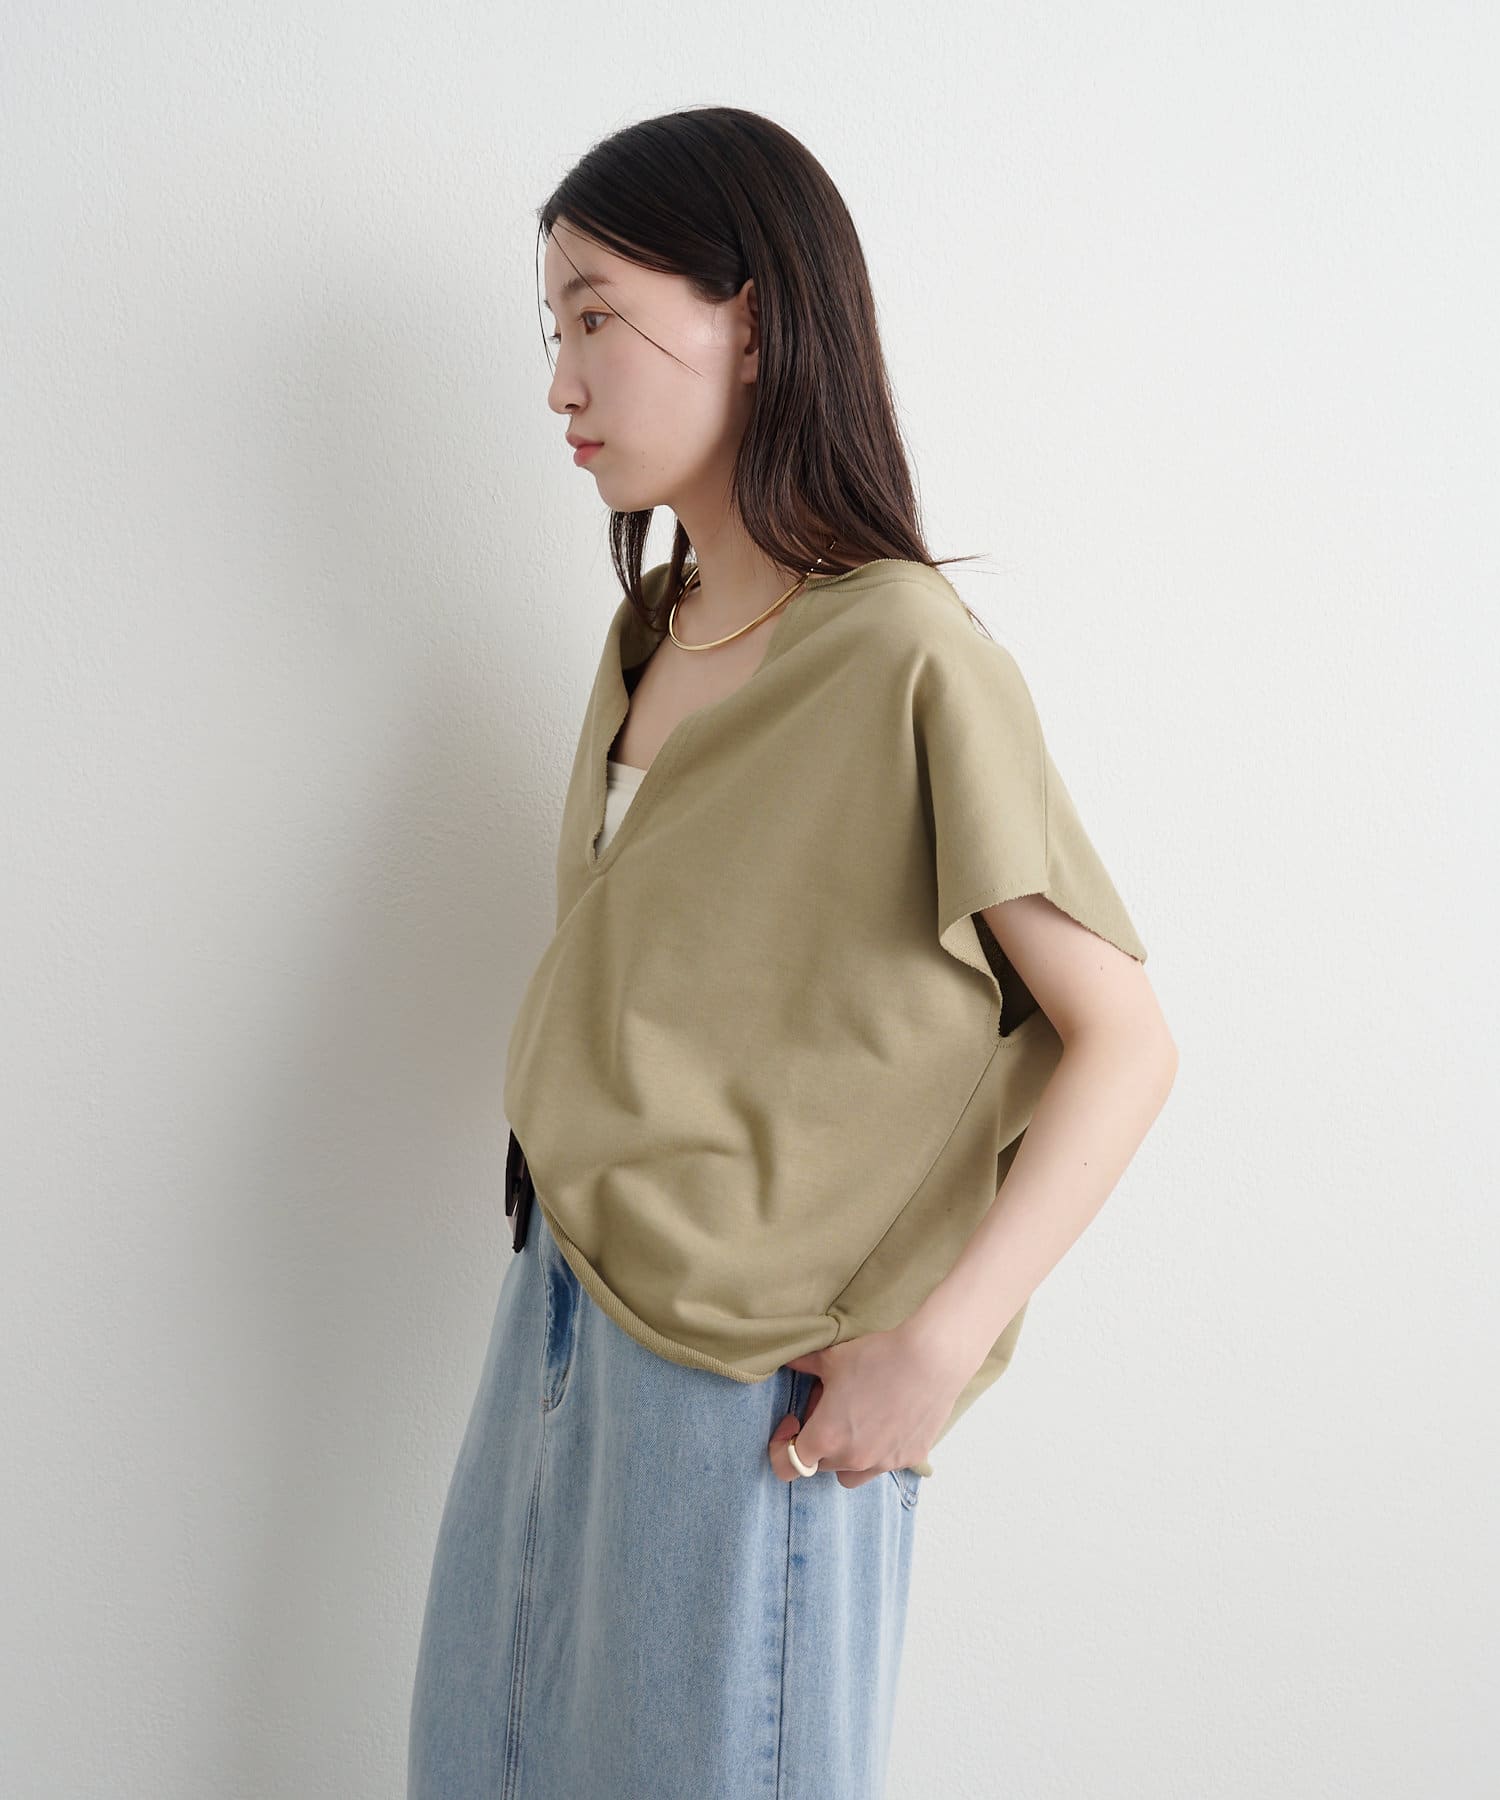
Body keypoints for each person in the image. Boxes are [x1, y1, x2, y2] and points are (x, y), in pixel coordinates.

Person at [407, 105, 1178, 1800]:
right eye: (553, 331)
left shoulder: (907, 656)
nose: (561, 384)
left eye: (598, 318)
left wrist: (936, 1349)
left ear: (750, 323)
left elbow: (1123, 1037)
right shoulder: (653, 632)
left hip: (745, 1385)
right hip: (552, 1316)